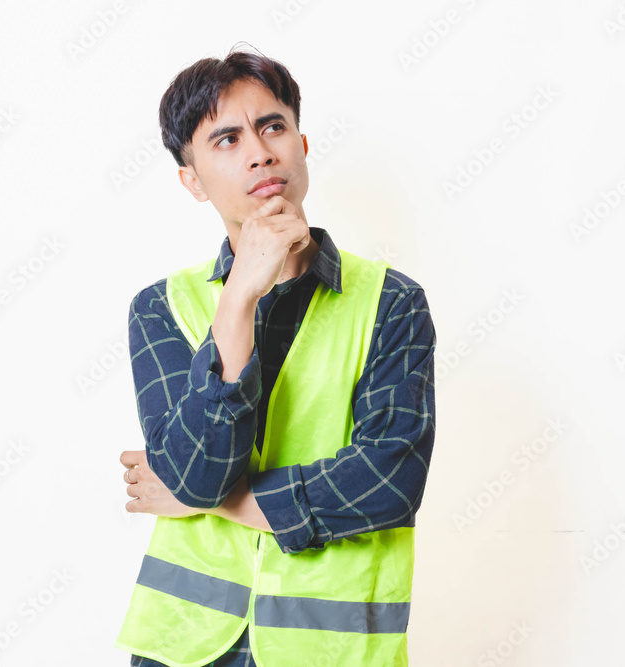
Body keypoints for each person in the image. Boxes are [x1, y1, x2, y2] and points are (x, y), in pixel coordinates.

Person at [114, 44, 437, 667]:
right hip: (185, 650)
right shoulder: (161, 307)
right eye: (227, 140)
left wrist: (207, 500)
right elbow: (198, 472)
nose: (259, 151)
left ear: (302, 145)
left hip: (332, 650)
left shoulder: (392, 302)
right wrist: (237, 301)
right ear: (192, 180)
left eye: (272, 127)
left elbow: (388, 482)